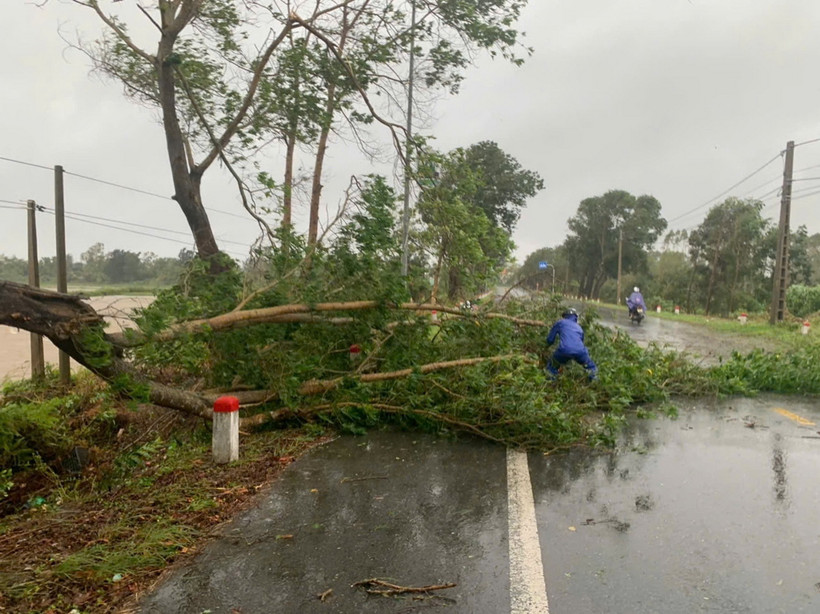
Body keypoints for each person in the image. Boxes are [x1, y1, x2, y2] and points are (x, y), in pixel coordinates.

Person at [545, 307, 597, 381]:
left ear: (565, 316)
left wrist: (545, 347)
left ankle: (551, 382)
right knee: (591, 367)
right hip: (581, 352)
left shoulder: (560, 323)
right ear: (575, 317)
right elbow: (580, 342)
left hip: (564, 350)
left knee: (552, 366)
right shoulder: (579, 328)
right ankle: (595, 381)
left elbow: (550, 340)